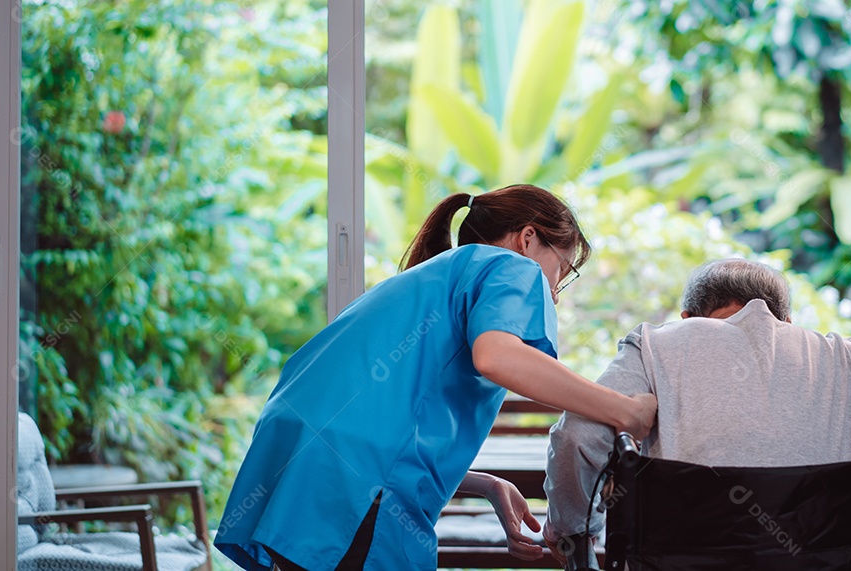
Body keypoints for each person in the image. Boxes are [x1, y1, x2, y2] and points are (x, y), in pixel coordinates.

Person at [214, 184, 658, 571]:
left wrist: (486, 484)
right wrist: (624, 410)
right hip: (352, 486)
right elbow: (497, 357)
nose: (555, 295)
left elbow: (381, 426)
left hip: (296, 469)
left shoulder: (428, 278)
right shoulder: (511, 266)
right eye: (562, 271)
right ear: (528, 238)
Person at [543, 258, 851, 565]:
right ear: (787, 322)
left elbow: (578, 437)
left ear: (688, 318)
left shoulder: (655, 346)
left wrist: (574, 532)